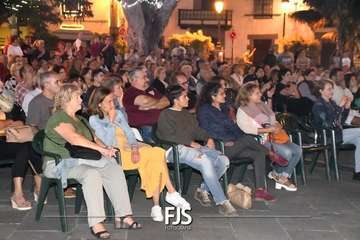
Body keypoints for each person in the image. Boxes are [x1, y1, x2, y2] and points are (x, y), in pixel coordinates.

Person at [43, 84, 141, 239]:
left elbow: (95, 138)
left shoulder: (81, 119)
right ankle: (96, 223)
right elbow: (74, 139)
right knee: (91, 174)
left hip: (81, 160)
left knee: (113, 167)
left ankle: (123, 214)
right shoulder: (58, 118)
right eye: (78, 96)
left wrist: (107, 149)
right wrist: (102, 150)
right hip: (60, 164)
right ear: (67, 99)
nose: (81, 99)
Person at [89, 87, 190, 222]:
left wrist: (135, 148)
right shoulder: (94, 119)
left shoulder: (118, 113)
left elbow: (130, 133)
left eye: (113, 101)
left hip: (132, 148)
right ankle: (168, 195)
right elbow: (107, 142)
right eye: (108, 102)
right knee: (157, 155)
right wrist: (111, 122)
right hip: (116, 153)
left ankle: (158, 205)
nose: (112, 105)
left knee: (157, 154)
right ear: (99, 103)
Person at [157, 85, 237, 216]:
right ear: (176, 100)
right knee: (204, 160)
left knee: (223, 160)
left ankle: (202, 190)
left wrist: (208, 138)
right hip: (174, 150)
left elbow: (197, 130)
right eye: (185, 96)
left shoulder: (186, 114)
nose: (188, 98)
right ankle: (222, 201)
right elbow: (166, 136)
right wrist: (190, 143)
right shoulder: (165, 114)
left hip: (191, 148)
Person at [197, 82, 276, 202]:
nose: (225, 95)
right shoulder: (205, 110)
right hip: (219, 146)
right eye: (222, 93)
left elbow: (234, 128)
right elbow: (206, 130)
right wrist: (225, 139)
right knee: (247, 139)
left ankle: (260, 190)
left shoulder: (224, 108)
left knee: (257, 153)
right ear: (213, 96)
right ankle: (271, 154)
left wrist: (237, 138)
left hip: (233, 145)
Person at [236, 82, 301, 191]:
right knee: (287, 153)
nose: (260, 94)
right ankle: (278, 174)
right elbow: (247, 129)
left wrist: (276, 125)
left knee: (297, 150)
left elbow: (272, 119)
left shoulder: (261, 105)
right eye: (257, 93)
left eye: (259, 92)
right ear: (248, 95)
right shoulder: (242, 110)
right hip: (258, 140)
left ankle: (282, 176)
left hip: (273, 136)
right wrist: (268, 129)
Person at [0, 80, 42, 211]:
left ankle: (34, 188)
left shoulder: (8, 99)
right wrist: (11, 122)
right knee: (25, 146)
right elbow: (13, 121)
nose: (1, 85)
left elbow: (23, 119)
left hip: (12, 139)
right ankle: (21, 192)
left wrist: (10, 122)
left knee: (30, 144)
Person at [312, 79, 360, 181]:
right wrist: (339, 107)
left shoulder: (331, 103)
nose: (332, 91)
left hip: (337, 133)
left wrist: (346, 108)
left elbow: (340, 121)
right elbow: (329, 123)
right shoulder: (318, 105)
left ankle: (358, 172)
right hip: (328, 136)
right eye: (329, 89)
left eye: (332, 89)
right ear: (321, 91)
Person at [123, 67, 169, 143]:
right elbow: (145, 101)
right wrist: (159, 103)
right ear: (134, 79)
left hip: (160, 125)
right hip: (145, 128)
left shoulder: (150, 89)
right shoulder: (130, 92)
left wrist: (153, 106)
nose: (147, 79)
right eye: (144, 77)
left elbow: (167, 101)